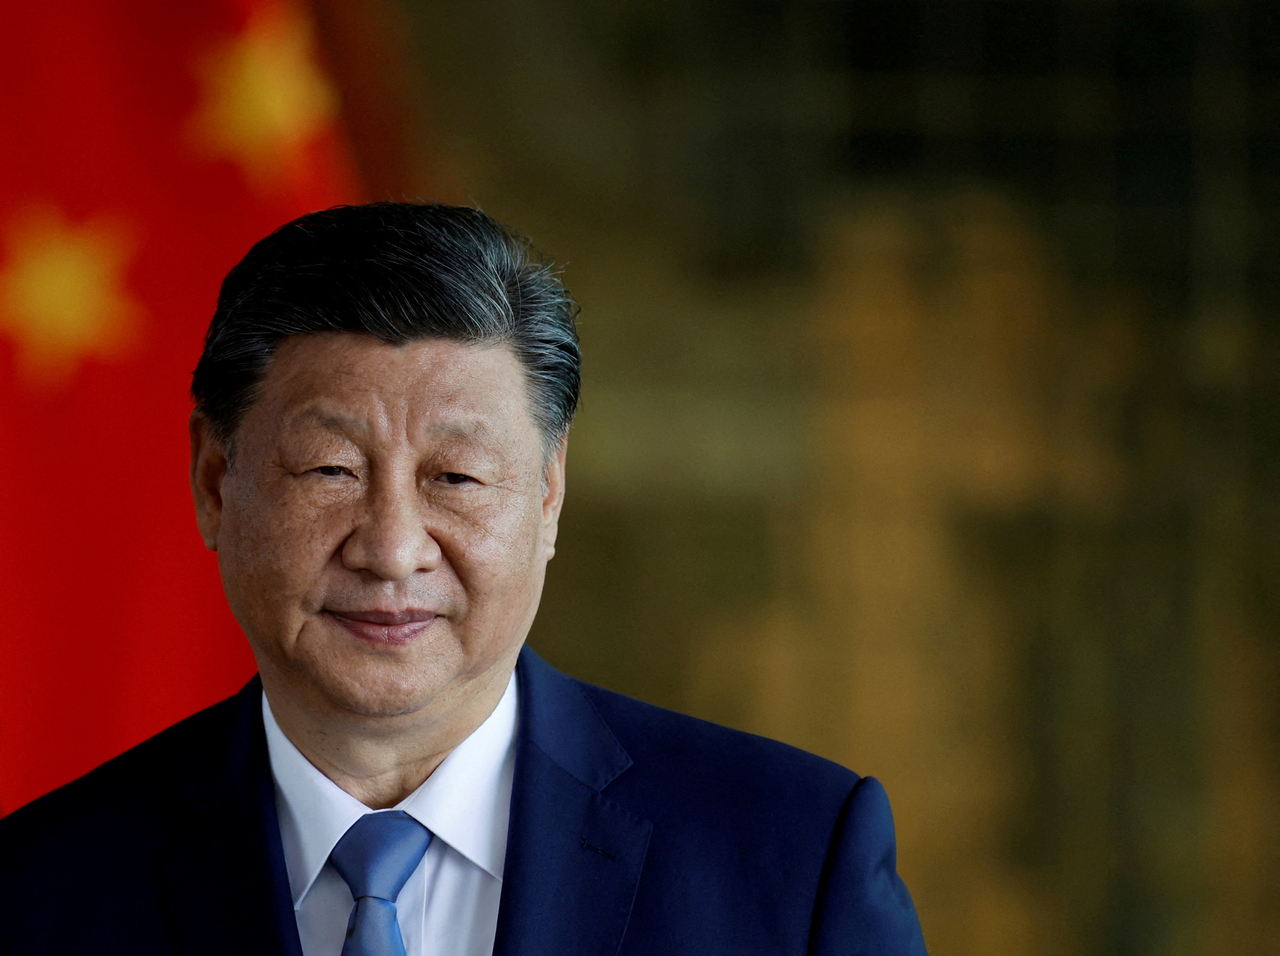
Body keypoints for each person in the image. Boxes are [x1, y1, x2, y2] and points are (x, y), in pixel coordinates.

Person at [0, 202, 928, 955]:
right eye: (331, 470)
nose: (393, 548)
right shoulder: (38, 893)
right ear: (215, 483)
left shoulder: (795, 864)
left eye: (456, 478)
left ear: (549, 494)